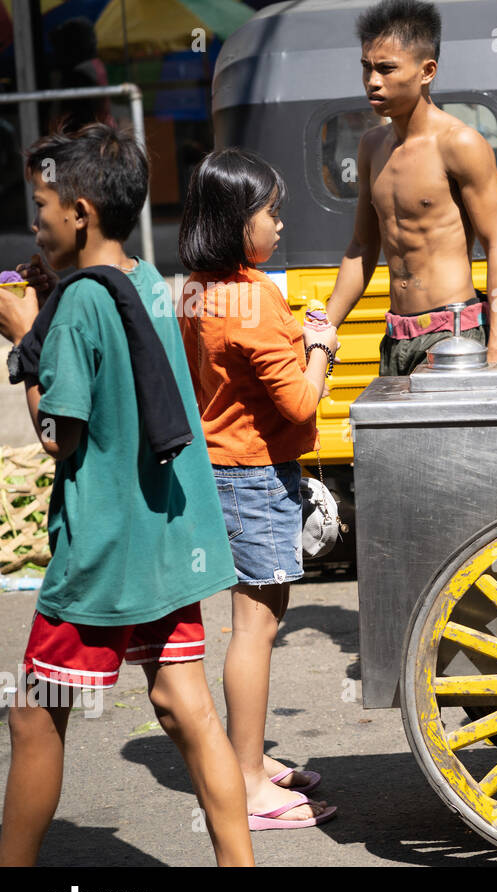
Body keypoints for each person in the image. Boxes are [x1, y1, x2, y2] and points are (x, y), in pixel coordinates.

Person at [0, 124, 254, 865]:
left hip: (105, 553)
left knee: (34, 714)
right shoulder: (143, 278)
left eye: (41, 203)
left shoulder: (79, 304)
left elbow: (58, 436)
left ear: (79, 211)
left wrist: (25, 339)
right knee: (187, 709)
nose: (35, 218)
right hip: (168, 539)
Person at [178, 147, 339, 830]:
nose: (279, 225)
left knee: (257, 617)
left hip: (220, 467)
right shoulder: (256, 300)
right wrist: (320, 345)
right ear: (237, 222)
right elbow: (301, 404)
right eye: (270, 213)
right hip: (252, 474)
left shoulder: (192, 287)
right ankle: (245, 782)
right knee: (256, 626)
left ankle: (250, 757)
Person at [322, 0, 497, 372]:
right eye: (366, 68)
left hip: (454, 334)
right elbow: (362, 247)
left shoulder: (459, 143)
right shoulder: (371, 147)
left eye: (386, 69)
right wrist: (324, 327)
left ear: (427, 71)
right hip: (395, 337)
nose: (373, 81)